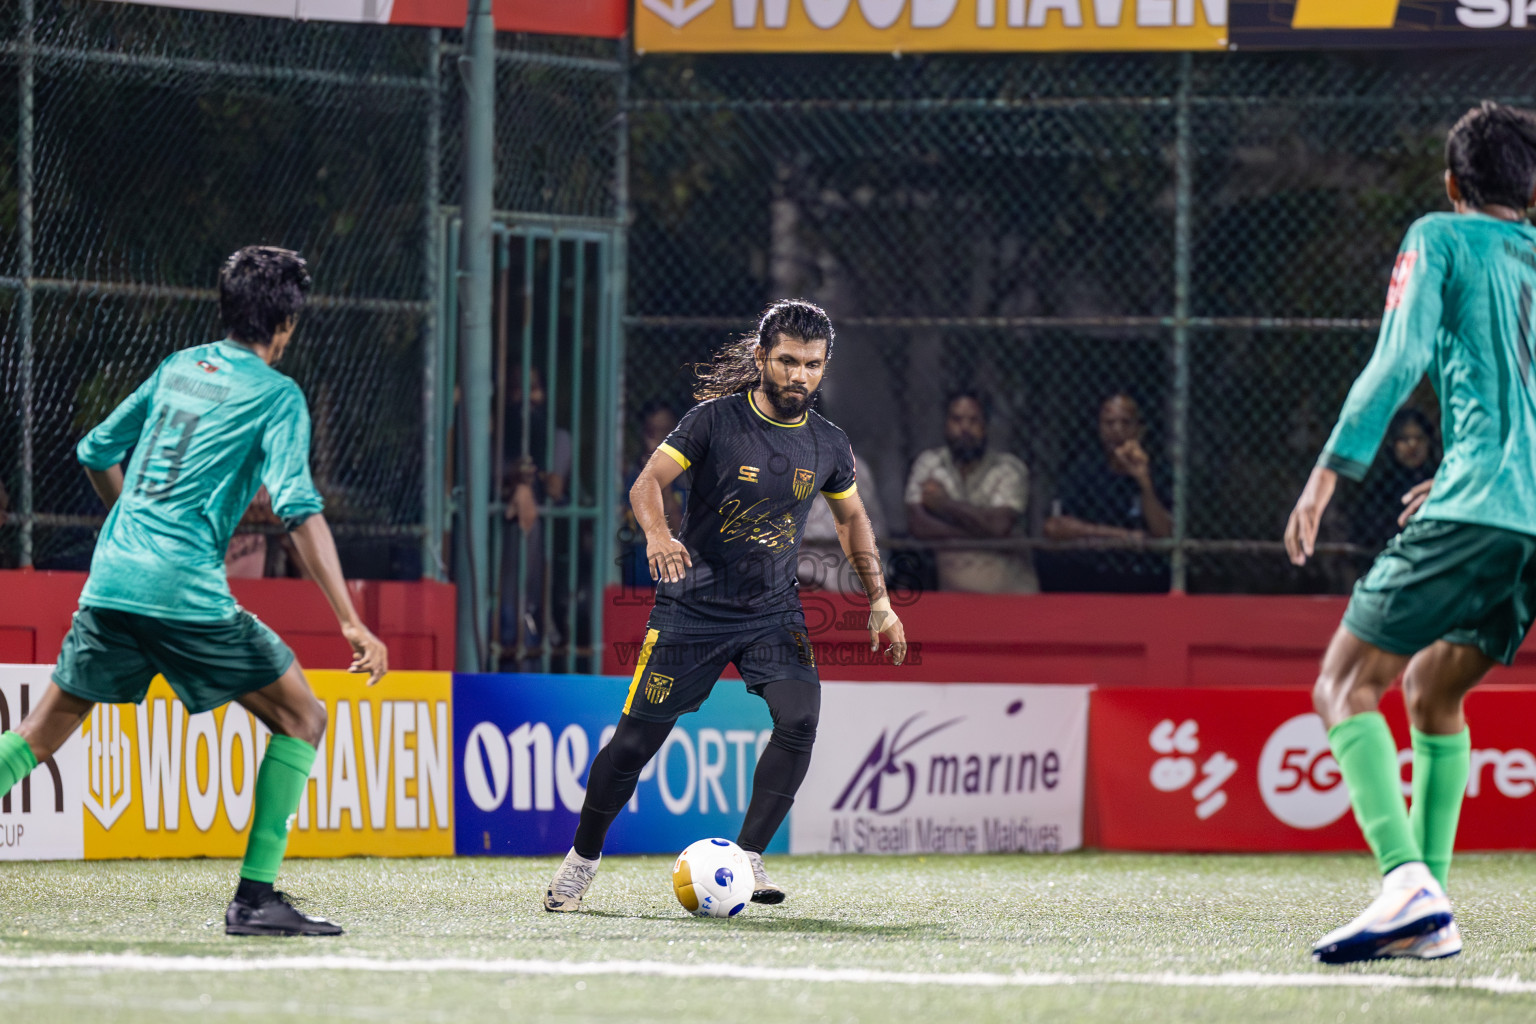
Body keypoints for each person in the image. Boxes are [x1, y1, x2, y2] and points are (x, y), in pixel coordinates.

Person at [0, 246, 389, 936]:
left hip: (113, 578)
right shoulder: (278, 395)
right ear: (287, 325)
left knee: (38, 734)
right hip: (183, 591)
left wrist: (131, 526)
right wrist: (352, 622)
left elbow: (95, 450)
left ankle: (258, 900)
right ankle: (254, 899)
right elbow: (298, 510)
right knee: (303, 717)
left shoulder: (179, 366)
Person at [543, 299, 907, 911]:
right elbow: (647, 483)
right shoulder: (713, 420)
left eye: (812, 365)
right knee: (633, 745)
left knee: (800, 718)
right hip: (693, 609)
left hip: (772, 611)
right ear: (763, 357)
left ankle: (746, 861)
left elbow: (852, 522)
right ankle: (581, 862)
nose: (799, 376)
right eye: (788, 361)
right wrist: (659, 536)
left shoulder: (829, 444)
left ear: (824, 368)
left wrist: (881, 601)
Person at [1284, 101, 1536, 964]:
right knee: (1432, 692)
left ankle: (1404, 880)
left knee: (1343, 683)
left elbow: (1399, 358)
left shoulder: (1441, 234)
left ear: (1453, 183)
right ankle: (1430, 912)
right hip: (1524, 524)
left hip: (1475, 510)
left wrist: (1327, 474)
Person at [904, 390, 1036, 593]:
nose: (965, 428)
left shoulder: (1008, 469)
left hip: (1009, 592)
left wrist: (945, 505)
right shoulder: (929, 464)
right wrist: (984, 533)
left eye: (974, 420)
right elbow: (918, 525)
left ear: (986, 426)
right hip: (953, 594)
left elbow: (999, 525)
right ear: (946, 424)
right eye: (957, 420)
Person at [1040, 392, 1172, 593]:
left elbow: (1164, 533)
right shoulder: (1084, 468)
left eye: (1125, 423)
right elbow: (1054, 527)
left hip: (1141, 571)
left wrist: (1143, 481)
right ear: (1100, 429)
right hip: (1092, 566)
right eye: (1109, 423)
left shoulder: (1158, 469)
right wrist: (1122, 536)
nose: (1117, 430)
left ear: (1140, 430)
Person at [1350, 408, 1439, 555]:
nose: (1413, 445)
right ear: (1393, 443)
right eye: (1404, 439)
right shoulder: (1379, 486)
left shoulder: (1439, 478)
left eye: (1420, 438)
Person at [620, 400, 688, 588]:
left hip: (676, 581)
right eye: (652, 432)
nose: (659, 441)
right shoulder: (627, 476)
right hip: (634, 579)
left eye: (666, 433)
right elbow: (621, 530)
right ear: (643, 433)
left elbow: (684, 537)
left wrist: (663, 484)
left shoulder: (690, 479)